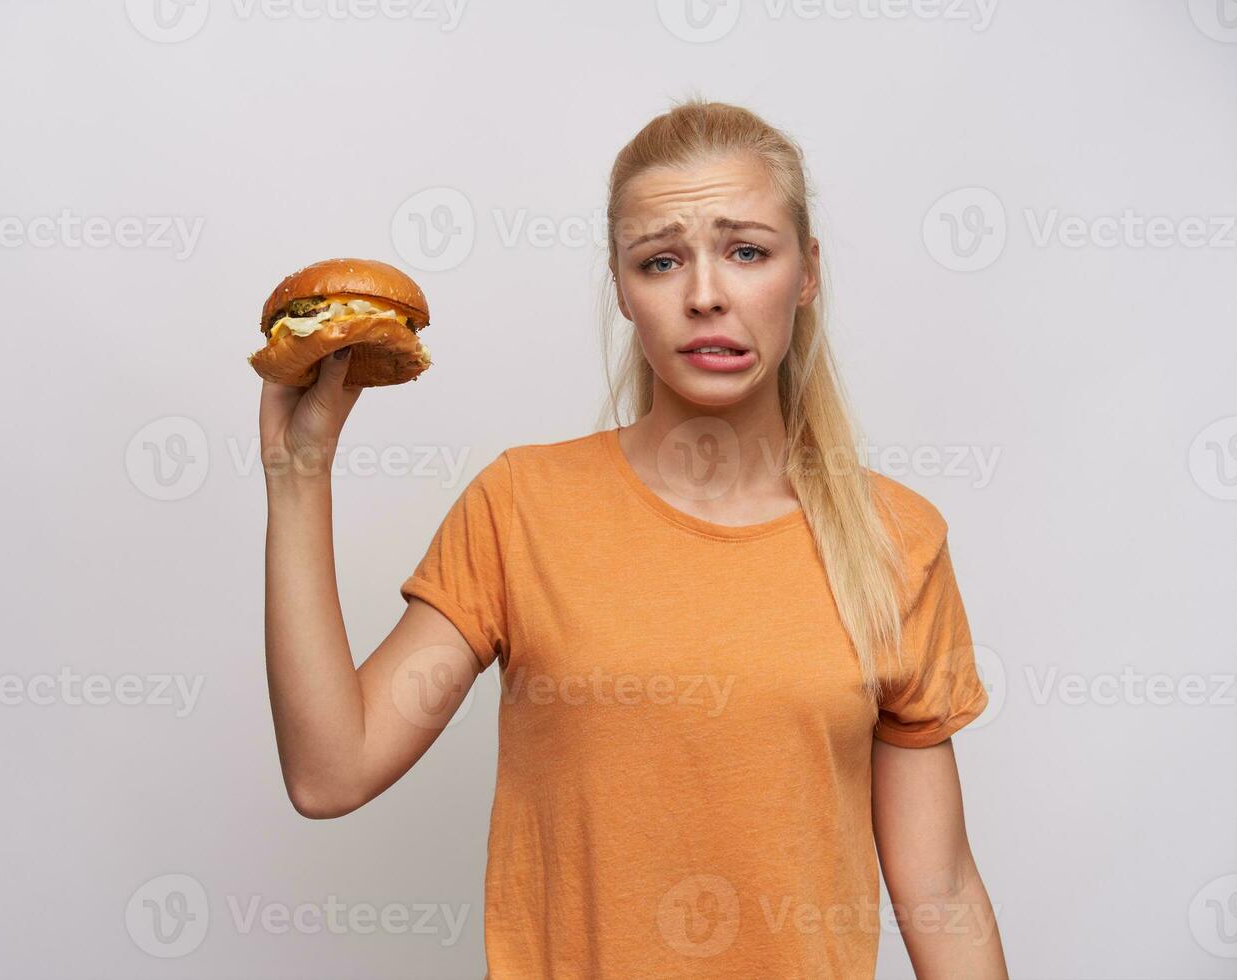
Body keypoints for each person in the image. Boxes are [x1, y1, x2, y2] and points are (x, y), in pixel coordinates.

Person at [259, 97, 1010, 978]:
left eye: (747, 252)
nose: (705, 295)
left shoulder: (896, 541)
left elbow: (942, 893)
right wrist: (297, 475)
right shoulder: (522, 507)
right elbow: (329, 771)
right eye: (661, 260)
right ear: (622, 287)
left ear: (806, 272)